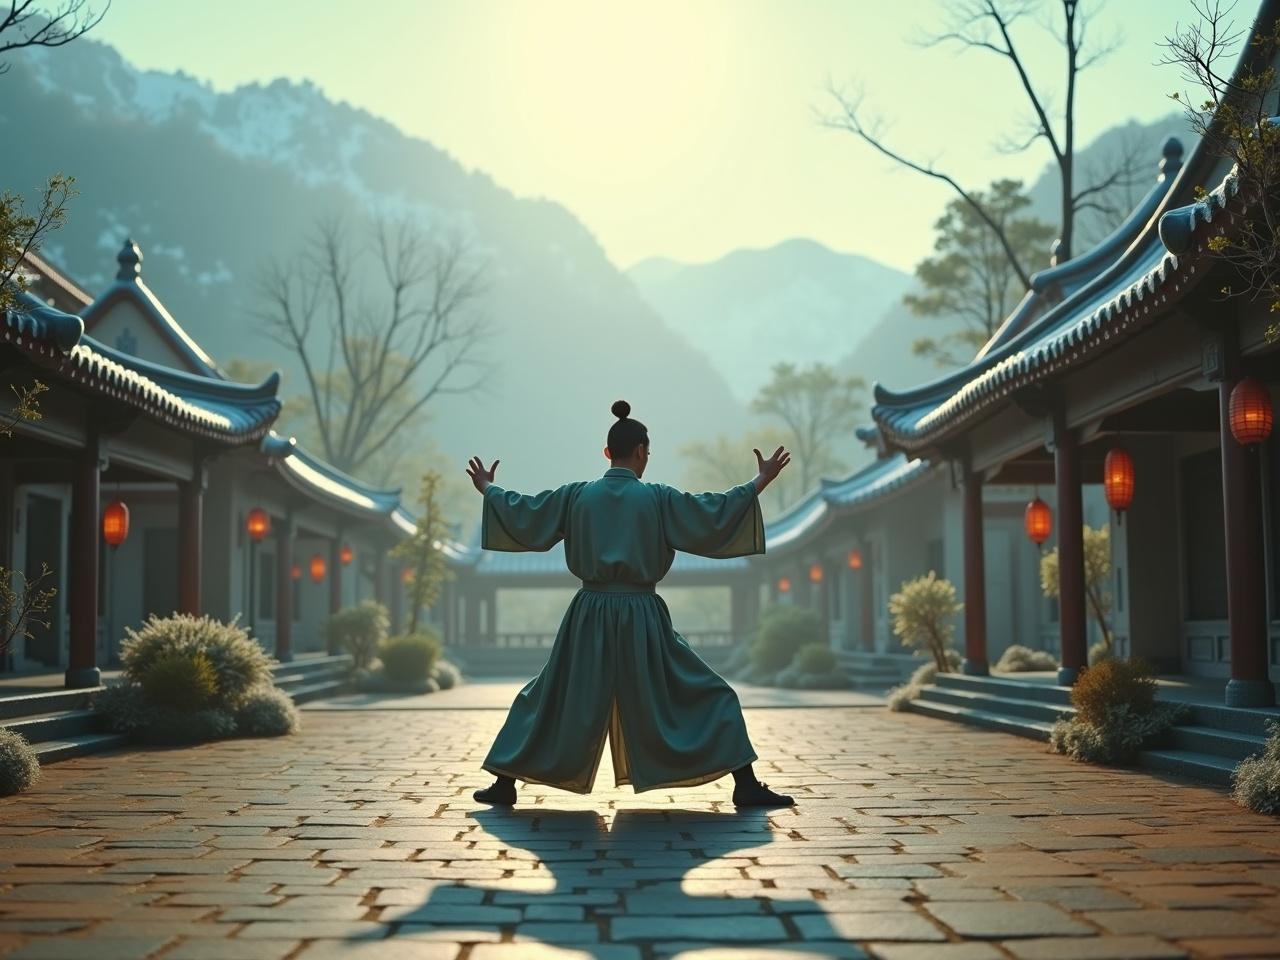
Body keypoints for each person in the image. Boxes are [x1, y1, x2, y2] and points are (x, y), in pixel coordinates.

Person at [468, 400, 794, 808]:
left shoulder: (576, 497)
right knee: (707, 692)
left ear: (607, 453)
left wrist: (489, 490)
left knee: (551, 695)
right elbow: (710, 512)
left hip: (589, 614)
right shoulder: (657, 499)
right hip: (642, 615)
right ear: (640, 451)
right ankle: (744, 784)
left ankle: (504, 784)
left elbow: (526, 512)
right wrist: (758, 482)